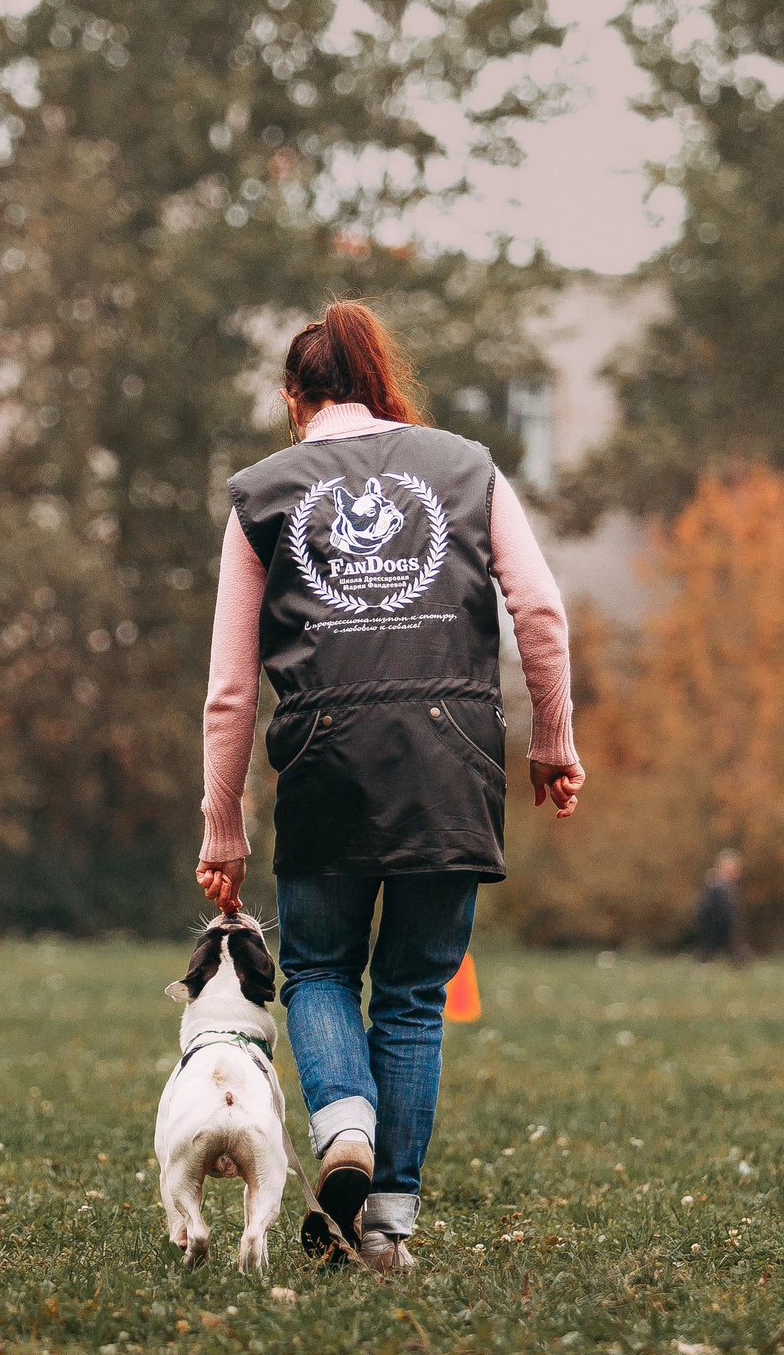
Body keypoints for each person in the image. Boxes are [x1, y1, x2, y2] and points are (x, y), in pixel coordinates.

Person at [196, 300, 587, 1273]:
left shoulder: (261, 493)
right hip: (452, 761)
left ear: (296, 399)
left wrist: (222, 830)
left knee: (321, 970)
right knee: (412, 994)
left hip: (325, 763)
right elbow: (538, 607)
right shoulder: (467, 466)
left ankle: (342, 1134)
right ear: (378, 384)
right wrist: (552, 736)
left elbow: (230, 691)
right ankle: (383, 1230)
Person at [695, 847, 747, 966]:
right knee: (709, 951)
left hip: (726, 926)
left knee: (735, 952)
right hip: (715, 925)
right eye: (729, 867)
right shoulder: (716, 886)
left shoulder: (729, 886)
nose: (733, 871)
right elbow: (704, 909)